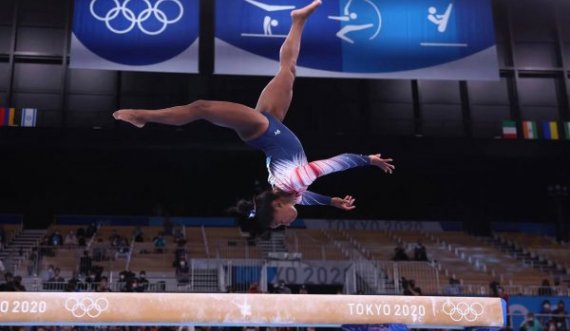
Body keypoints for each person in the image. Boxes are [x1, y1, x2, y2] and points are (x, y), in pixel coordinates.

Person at [113, 0, 395, 238]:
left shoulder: (295, 179)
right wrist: (330, 202)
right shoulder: (292, 193)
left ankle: (142, 116)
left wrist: (367, 160)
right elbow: (304, 198)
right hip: (273, 122)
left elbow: (335, 163)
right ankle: (298, 21)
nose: (286, 224)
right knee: (288, 70)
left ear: (275, 206)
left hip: (260, 130)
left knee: (202, 107)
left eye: (278, 222)